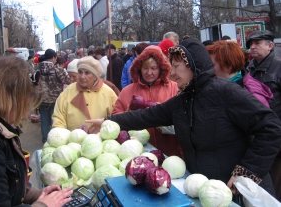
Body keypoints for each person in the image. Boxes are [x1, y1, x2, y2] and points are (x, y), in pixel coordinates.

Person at [86, 38, 281, 203]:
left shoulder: (226, 93)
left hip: (241, 192)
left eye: (176, 66)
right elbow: (144, 116)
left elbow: (271, 127)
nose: (171, 73)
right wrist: (108, 121)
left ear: (193, 65)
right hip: (206, 191)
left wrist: (248, 169)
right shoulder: (182, 101)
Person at [0, 56, 72, 207]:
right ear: (7, 97)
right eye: (24, 104)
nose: (26, 112)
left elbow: (7, 182)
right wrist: (43, 205)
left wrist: (35, 195)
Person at [114, 46, 183, 158]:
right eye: (145, 68)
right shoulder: (127, 91)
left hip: (171, 154)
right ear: (139, 68)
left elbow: (183, 118)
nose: (149, 72)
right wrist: (126, 115)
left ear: (161, 68)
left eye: (153, 68)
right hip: (137, 155)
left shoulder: (174, 88)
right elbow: (115, 120)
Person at [245, 30, 281, 201]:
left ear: (270, 45)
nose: (253, 47)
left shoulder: (278, 67)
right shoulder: (249, 68)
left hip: (275, 130)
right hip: (255, 131)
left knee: (275, 176)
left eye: (257, 43)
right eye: (251, 44)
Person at [52, 56, 118, 131]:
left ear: (95, 76)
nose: (82, 77)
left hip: (100, 141)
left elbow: (116, 118)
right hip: (73, 141)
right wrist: (60, 135)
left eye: (87, 73)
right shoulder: (68, 91)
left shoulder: (108, 93)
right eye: (80, 72)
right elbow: (58, 118)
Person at [38, 49, 71, 143]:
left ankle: (45, 139)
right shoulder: (58, 70)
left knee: (44, 121)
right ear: (53, 58)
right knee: (55, 120)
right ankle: (54, 140)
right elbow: (67, 81)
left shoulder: (38, 69)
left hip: (42, 99)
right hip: (55, 99)